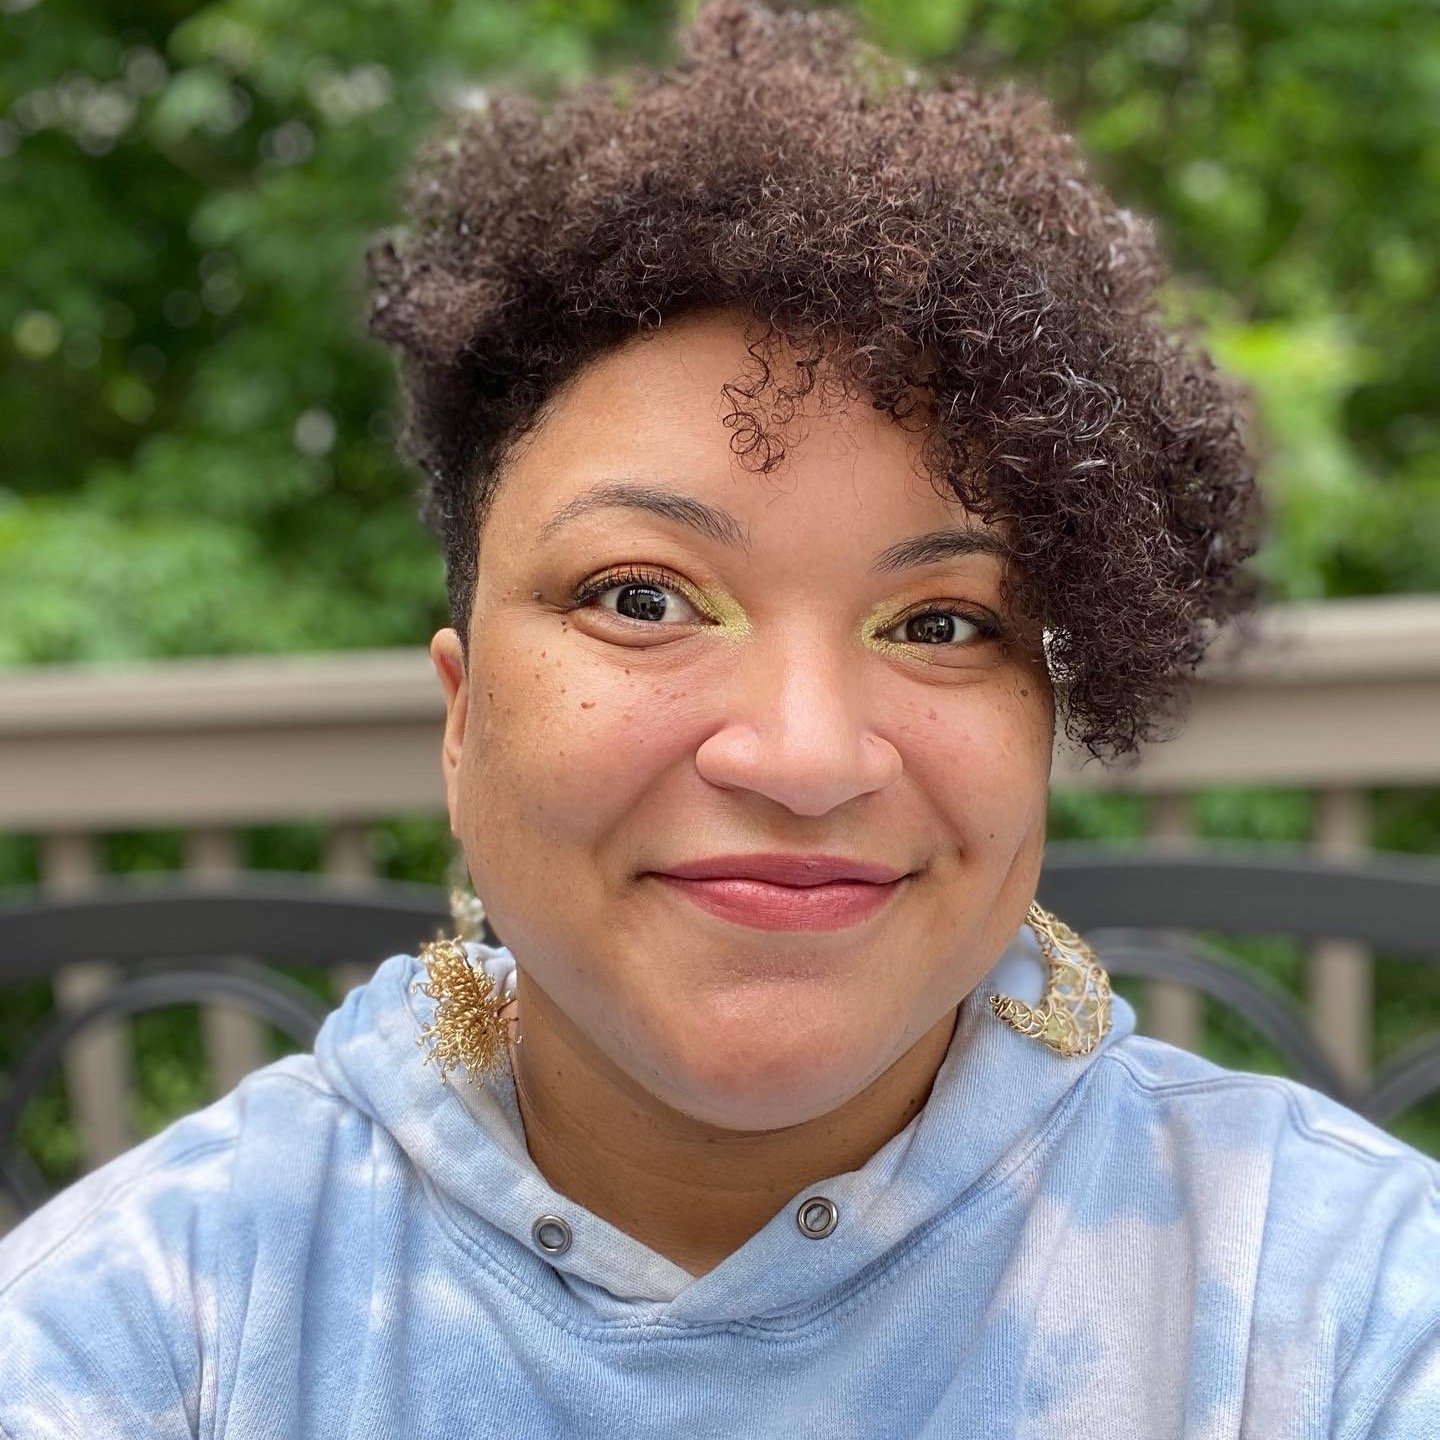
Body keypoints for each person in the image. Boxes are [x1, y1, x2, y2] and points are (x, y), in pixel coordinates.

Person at [2, 3, 1436, 1435]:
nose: (803, 758)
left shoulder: (1335, 1307)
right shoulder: (146, 1326)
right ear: (461, 721)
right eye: (642, 598)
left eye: (941, 624)